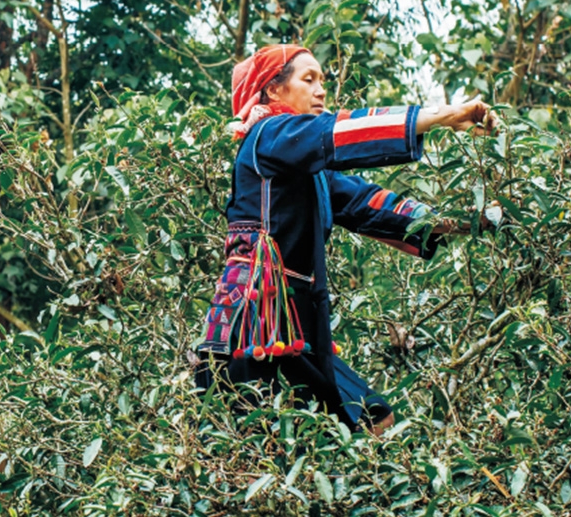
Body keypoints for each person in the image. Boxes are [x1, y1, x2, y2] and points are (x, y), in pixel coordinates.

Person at [196, 44, 494, 435]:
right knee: (268, 454)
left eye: (322, 80)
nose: (321, 90)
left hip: (297, 334)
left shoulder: (310, 170)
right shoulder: (269, 135)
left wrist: (476, 221)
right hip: (255, 329)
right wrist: (445, 115)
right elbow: (337, 132)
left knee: (375, 418)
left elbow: (369, 206)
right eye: (309, 79)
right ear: (273, 91)